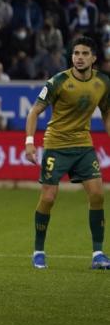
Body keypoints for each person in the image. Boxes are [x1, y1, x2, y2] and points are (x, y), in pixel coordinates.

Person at [25, 36, 110, 270]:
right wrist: (30, 143)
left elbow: (107, 113)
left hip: (83, 146)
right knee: (49, 198)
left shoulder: (103, 82)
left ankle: (98, 254)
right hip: (56, 146)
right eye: (76, 54)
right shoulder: (58, 81)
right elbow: (34, 112)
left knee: (97, 195)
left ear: (94, 58)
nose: (79, 58)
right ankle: (38, 251)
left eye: (84, 54)